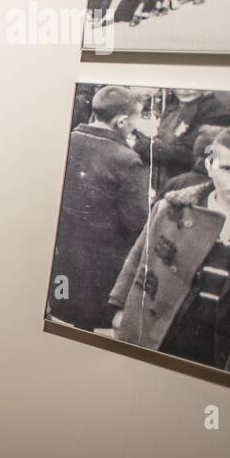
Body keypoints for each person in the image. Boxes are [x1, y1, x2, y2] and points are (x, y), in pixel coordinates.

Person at [109, 121, 230, 379]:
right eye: (228, 168)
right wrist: (121, 307)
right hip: (167, 331)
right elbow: (139, 256)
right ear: (209, 167)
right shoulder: (172, 210)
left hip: (225, 346)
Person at [49, 87, 150, 332]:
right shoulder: (127, 160)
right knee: (90, 324)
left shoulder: (67, 139)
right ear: (122, 121)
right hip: (101, 263)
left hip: (63, 252)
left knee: (62, 309)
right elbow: (136, 222)